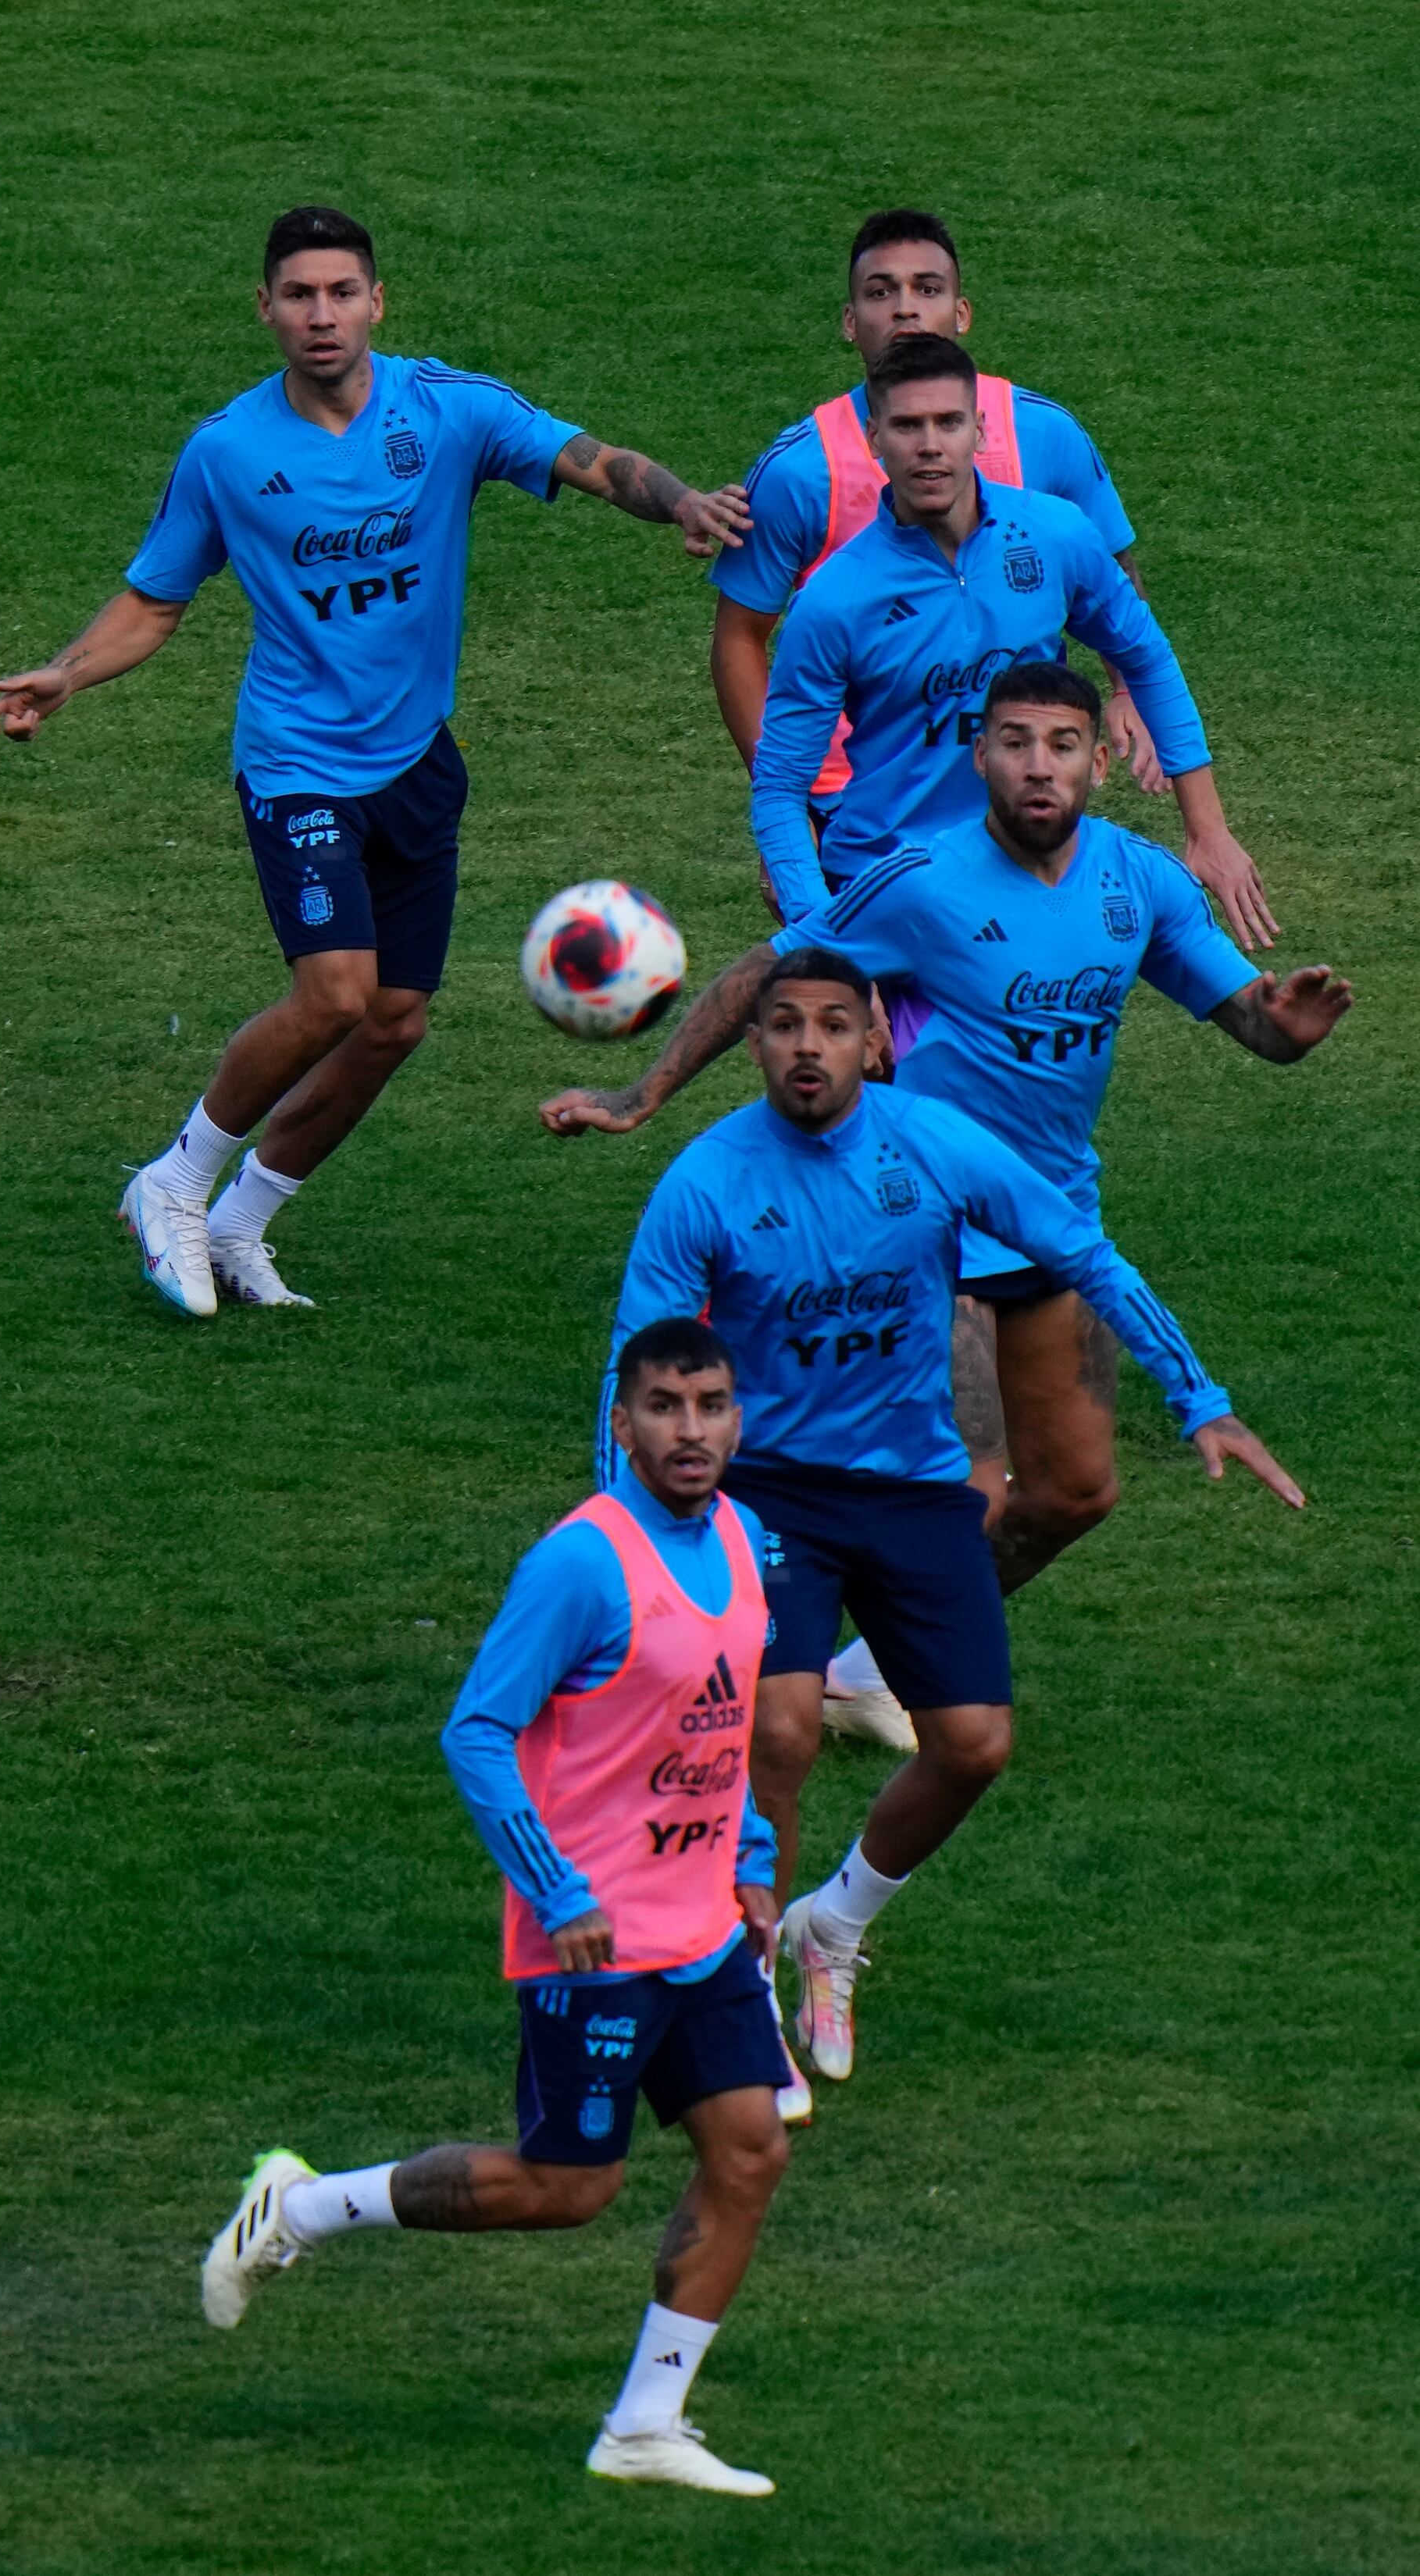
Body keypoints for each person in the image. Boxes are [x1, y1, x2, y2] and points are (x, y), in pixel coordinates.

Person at [546, 667, 1348, 1735]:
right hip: (927, 1225)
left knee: (1074, 1493)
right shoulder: (922, 882)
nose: (1037, 766)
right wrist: (643, 1093)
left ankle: (865, 1665)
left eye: (1062, 743)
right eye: (1013, 742)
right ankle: (747, 1665)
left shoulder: (1141, 883)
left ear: (1101, 760)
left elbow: (1243, 1010)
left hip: (1047, 1219)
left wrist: (1282, 1029)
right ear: (978, 756)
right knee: (955, 1490)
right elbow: (774, 969)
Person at [0, 204, 749, 1317]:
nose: (322, 314)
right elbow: (157, 599)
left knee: (393, 1021)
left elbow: (590, 459)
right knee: (335, 992)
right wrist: (66, 671)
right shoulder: (231, 453)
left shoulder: (446, 412)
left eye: (342, 292)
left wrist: (683, 501)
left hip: (417, 765)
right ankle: (176, 1179)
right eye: (299, 295)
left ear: (378, 302)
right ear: (265, 309)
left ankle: (243, 1222)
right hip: (299, 766)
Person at [596, 950, 1298, 2111]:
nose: (808, 1046)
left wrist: (1201, 1396)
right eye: (782, 1026)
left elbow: (1082, 1252)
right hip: (770, 1490)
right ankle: (740, 2002)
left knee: (972, 1744)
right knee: (778, 1732)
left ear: (877, 1040)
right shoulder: (705, 1182)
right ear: (757, 1045)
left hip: (912, 1490)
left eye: (834, 1024)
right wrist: (633, 1544)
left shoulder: (930, 1142)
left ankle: (832, 1924)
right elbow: (643, 1368)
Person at [201, 1319, 791, 2498]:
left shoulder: (740, 1533)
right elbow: (476, 1729)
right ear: (620, 1422)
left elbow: (721, 1724)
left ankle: (643, 2422)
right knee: (570, 2186)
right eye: (665, 1406)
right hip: (595, 1935)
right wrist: (557, 1888)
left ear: (738, 1415)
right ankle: (306, 2205)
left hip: (701, 1926)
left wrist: (757, 1854)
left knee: (750, 2147)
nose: (691, 1429)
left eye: (711, 1403)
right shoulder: (581, 1562)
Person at [711, 208, 1270, 945]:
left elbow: (1117, 595)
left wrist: (1130, 695)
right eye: (882, 292)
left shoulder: (1045, 442)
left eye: (926, 288)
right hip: (870, 824)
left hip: (1014, 822)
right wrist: (800, 818)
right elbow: (741, 641)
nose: (906, 308)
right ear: (849, 322)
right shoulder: (799, 472)